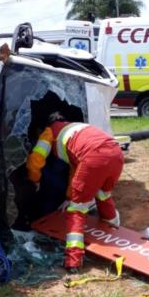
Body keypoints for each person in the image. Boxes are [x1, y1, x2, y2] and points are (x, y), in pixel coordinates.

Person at [27, 112, 124, 271]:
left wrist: (34, 179)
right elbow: (76, 169)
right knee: (103, 195)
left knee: (77, 210)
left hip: (93, 158)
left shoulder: (49, 132)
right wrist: (69, 196)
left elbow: (34, 161)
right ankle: (113, 231)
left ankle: (73, 261)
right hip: (116, 154)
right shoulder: (75, 129)